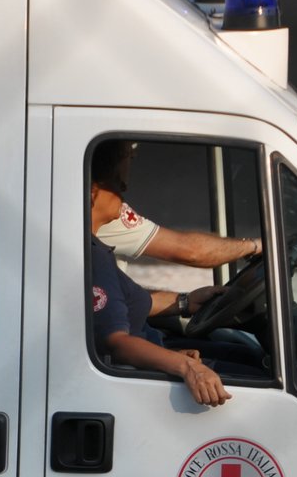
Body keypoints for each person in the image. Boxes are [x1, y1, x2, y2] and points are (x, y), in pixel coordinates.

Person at [90, 174, 233, 408]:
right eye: (115, 183)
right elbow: (117, 343)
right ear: (92, 192)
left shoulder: (96, 250)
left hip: (154, 354)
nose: (124, 186)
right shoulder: (94, 257)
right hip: (133, 382)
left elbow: (127, 303)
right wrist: (188, 367)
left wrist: (186, 302)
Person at [92, 140, 263, 267]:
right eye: (131, 155)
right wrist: (253, 246)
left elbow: (128, 297)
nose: (131, 161)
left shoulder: (100, 204)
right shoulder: (101, 208)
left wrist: (184, 302)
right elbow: (190, 252)